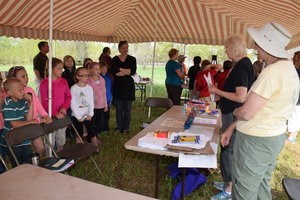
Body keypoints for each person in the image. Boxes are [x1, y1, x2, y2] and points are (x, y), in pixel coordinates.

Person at [221, 22, 299, 200]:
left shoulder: (273, 72)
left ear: (266, 46)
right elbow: (263, 110)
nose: (255, 47)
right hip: (273, 136)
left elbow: (247, 112)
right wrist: (233, 127)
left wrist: (235, 113)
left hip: (255, 141)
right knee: (261, 184)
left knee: (244, 189)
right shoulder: (289, 69)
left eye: (257, 43)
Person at [209, 34, 255, 200]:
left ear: (234, 48)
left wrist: (217, 92)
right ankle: (228, 181)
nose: (225, 50)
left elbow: (241, 96)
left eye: (227, 47)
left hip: (233, 114)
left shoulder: (242, 66)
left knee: (228, 149)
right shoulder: (241, 64)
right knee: (227, 149)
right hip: (230, 112)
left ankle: (229, 189)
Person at [6, 66, 52, 155]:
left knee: (40, 148)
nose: (26, 78)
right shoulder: (12, 96)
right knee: (23, 151)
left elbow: (38, 104)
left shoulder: (30, 90)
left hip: (32, 123)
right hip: (20, 127)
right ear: (14, 79)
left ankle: (35, 161)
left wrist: (44, 115)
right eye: (23, 76)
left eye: (26, 75)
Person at [1, 78, 38, 166]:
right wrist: (31, 122)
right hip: (12, 141)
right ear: (10, 93)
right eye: (20, 90)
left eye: (23, 89)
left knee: (28, 162)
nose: (23, 92)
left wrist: (31, 102)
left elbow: (28, 118)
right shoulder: (8, 104)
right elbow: (14, 124)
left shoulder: (23, 102)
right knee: (18, 166)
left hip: (23, 138)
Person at [40, 58, 71, 151]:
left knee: (61, 138)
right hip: (50, 117)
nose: (62, 70)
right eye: (59, 68)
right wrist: (54, 113)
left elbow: (68, 97)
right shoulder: (44, 83)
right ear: (51, 69)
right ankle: (50, 157)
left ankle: (60, 153)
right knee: (50, 139)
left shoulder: (64, 81)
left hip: (61, 115)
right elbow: (44, 102)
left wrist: (64, 108)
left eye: (62, 68)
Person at [111, 40, 137, 133]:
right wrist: (126, 71)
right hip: (118, 87)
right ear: (119, 49)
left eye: (126, 47)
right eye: (123, 48)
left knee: (127, 109)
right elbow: (115, 73)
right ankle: (119, 127)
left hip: (128, 88)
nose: (125, 49)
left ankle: (126, 128)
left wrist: (120, 69)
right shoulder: (114, 59)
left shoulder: (132, 59)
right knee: (119, 109)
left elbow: (132, 71)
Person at [70, 67, 98, 149]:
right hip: (77, 116)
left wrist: (90, 114)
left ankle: (95, 148)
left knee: (92, 132)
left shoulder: (89, 88)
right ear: (77, 77)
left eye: (87, 75)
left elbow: (91, 102)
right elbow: (73, 103)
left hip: (88, 115)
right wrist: (78, 117)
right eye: (84, 75)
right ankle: (79, 150)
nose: (86, 77)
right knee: (79, 134)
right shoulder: (73, 88)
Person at [88, 62, 107, 137]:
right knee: (92, 122)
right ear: (90, 70)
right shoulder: (88, 81)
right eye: (95, 69)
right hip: (93, 106)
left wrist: (105, 105)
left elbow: (104, 93)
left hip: (101, 106)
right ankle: (91, 137)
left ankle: (95, 134)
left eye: (99, 69)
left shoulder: (102, 79)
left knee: (99, 122)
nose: (98, 71)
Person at [287, 51, 300, 144]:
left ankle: (291, 137)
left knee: (293, 117)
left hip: (296, 99)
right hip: (297, 99)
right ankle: (293, 136)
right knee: (296, 118)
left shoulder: (295, 71)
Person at [100, 61, 113, 133]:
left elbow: (110, 88)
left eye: (105, 68)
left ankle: (106, 128)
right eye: (102, 68)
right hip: (100, 100)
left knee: (107, 115)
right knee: (101, 115)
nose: (104, 70)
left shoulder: (109, 77)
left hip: (108, 99)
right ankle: (101, 128)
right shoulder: (98, 77)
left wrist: (111, 97)